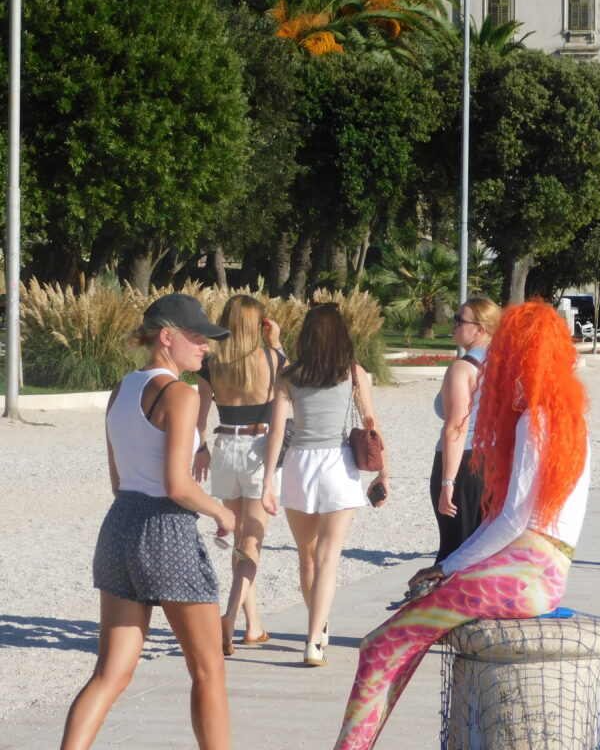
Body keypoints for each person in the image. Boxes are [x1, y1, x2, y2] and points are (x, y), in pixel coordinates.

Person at [334, 301, 592, 750]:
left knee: (381, 645)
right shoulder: (563, 415)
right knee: (400, 642)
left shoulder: (536, 418)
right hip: (540, 570)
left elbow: (513, 519)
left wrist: (449, 565)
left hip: (524, 572)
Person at [62, 293, 234, 750]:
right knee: (208, 667)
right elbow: (177, 485)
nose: (206, 348)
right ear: (166, 336)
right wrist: (219, 510)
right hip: (167, 530)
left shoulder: (122, 389)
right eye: (198, 338)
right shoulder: (180, 394)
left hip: (120, 525)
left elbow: (119, 480)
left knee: (110, 672)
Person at [261, 303, 390, 667]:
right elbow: (372, 426)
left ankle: (318, 626)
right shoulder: (354, 373)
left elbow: (276, 433)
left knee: (307, 557)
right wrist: (384, 472)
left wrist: (268, 480)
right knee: (328, 558)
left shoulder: (288, 376)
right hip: (337, 464)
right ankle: (313, 640)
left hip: (299, 464)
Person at [193, 294, 286, 655]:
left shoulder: (212, 365)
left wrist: (200, 449)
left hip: (222, 447)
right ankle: (229, 617)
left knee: (239, 544)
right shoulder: (273, 359)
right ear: (258, 324)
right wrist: (276, 343)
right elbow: (293, 386)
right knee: (252, 543)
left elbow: (199, 421)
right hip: (260, 447)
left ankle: (254, 625)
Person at [431, 297, 501, 561]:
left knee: (455, 552)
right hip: (496, 460)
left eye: (460, 320)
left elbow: (457, 428)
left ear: (480, 329)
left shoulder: (463, 369)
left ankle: (447, 603)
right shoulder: (507, 365)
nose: (454, 325)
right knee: (484, 551)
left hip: (465, 463)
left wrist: (447, 482)